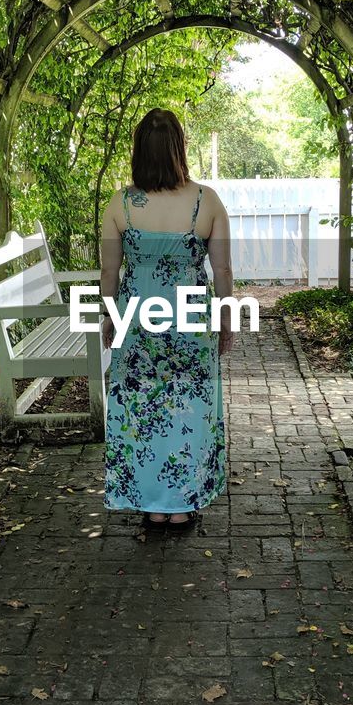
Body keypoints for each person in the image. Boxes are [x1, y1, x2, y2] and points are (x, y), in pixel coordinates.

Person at [100, 108, 233, 528]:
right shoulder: (205, 201)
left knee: (141, 409)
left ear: (139, 151)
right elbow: (224, 272)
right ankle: (183, 503)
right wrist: (225, 318)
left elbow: (109, 272)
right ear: (180, 149)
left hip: (138, 322)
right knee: (188, 407)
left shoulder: (120, 204)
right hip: (190, 322)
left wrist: (109, 317)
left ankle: (152, 504)